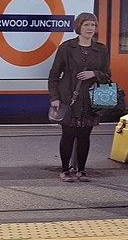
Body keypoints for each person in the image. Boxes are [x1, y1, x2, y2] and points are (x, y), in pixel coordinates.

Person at [48, 12, 112, 183]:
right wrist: (54, 97)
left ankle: (82, 170)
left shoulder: (101, 49)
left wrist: (94, 73)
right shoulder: (67, 47)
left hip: (90, 101)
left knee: (85, 136)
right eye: (86, 25)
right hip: (69, 98)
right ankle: (64, 170)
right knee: (68, 135)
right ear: (79, 27)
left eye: (93, 25)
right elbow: (54, 74)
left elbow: (107, 75)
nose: (90, 28)